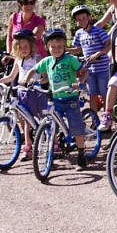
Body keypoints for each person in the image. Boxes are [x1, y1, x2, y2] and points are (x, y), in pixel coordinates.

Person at [21, 28, 90, 171]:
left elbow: (84, 71)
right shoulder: (46, 61)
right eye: (53, 47)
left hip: (70, 97)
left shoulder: (70, 59)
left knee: (76, 126)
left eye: (60, 46)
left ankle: (81, 153)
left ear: (65, 46)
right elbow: (33, 70)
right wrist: (26, 80)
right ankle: (50, 155)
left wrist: (79, 83)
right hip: (55, 98)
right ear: (47, 47)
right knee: (51, 127)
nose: (56, 49)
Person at [0, 29, 46, 161]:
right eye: (20, 46)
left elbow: (45, 78)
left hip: (36, 93)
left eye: (26, 46)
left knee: (44, 117)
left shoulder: (38, 59)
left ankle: (54, 143)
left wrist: (35, 81)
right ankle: (28, 146)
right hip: (23, 93)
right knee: (26, 120)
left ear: (32, 46)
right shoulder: (19, 60)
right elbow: (11, 77)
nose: (23, 49)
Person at [69, 4, 111, 113]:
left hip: (102, 68)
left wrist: (99, 53)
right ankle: (94, 118)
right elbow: (77, 49)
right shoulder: (79, 34)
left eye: (84, 18)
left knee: (104, 93)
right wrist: (65, 50)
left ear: (89, 18)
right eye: (79, 20)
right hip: (89, 69)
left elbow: (109, 44)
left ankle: (107, 117)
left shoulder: (97, 30)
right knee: (92, 94)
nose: (82, 21)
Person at [4, 0, 47, 67]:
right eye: (26, 3)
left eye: (32, 3)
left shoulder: (39, 21)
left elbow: (32, 38)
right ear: (20, 4)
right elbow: (9, 37)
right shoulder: (13, 17)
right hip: (19, 57)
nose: (29, 5)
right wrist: (9, 53)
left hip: (36, 58)